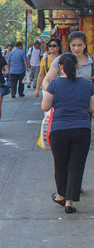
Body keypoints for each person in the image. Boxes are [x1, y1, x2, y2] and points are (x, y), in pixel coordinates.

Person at [41, 53, 94, 213]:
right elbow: (92, 108)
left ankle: (60, 196)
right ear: (77, 65)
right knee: (76, 166)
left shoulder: (55, 84)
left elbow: (45, 106)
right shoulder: (87, 84)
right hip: (82, 129)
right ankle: (69, 202)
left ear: (61, 67)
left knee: (61, 164)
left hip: (59, 130)